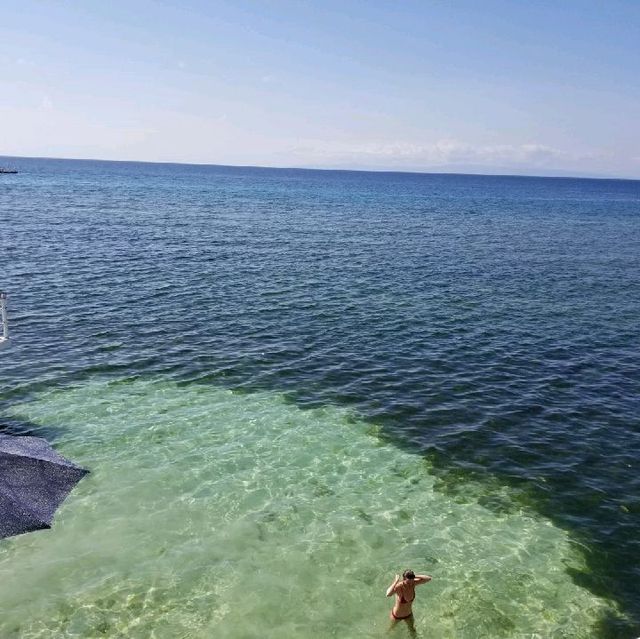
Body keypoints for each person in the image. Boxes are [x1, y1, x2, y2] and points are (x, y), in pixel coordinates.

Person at [386, 569, 432, 635]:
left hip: (409, 615)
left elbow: (428, 579)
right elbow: (388, 594)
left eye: (411, 581)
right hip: (397, 616)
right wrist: (395, 581)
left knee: (413, 631)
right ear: (404, 579)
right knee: (390, 631)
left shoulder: (413, 583)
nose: (410, 584)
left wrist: (414, 576)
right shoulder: (399, 586)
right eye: (408, 582)